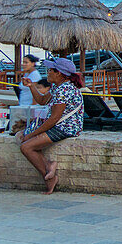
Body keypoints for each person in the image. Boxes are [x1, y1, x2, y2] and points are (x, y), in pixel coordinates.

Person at [17, 57, 84, 194]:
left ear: (58, 73)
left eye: (50, 70)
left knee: (26, 147)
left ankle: (48, 177)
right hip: (57, 124)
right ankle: (49, 165)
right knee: (20, 136)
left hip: (65, 127)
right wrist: (31, 86)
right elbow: (42, 100)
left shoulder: (64, 90)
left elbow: (54, 119)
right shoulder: (57, 86)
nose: (47, 73)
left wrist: (32, 134)